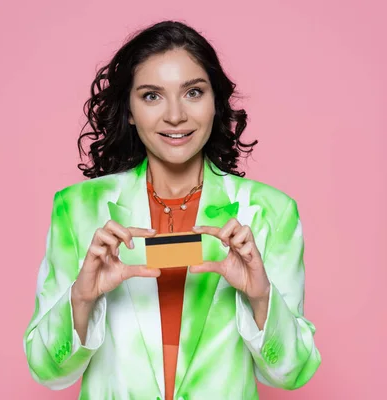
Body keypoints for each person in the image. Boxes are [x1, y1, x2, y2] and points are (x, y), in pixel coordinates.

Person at [23, 20, 321, 400]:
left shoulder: (269, 212)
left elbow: (291, 373)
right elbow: (46, 370)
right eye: (152, 96)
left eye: (193, 92)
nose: (175, 116)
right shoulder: (78, 209)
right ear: (129, 109)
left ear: (216, 103)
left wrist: (262, 299)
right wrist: (81, 300)